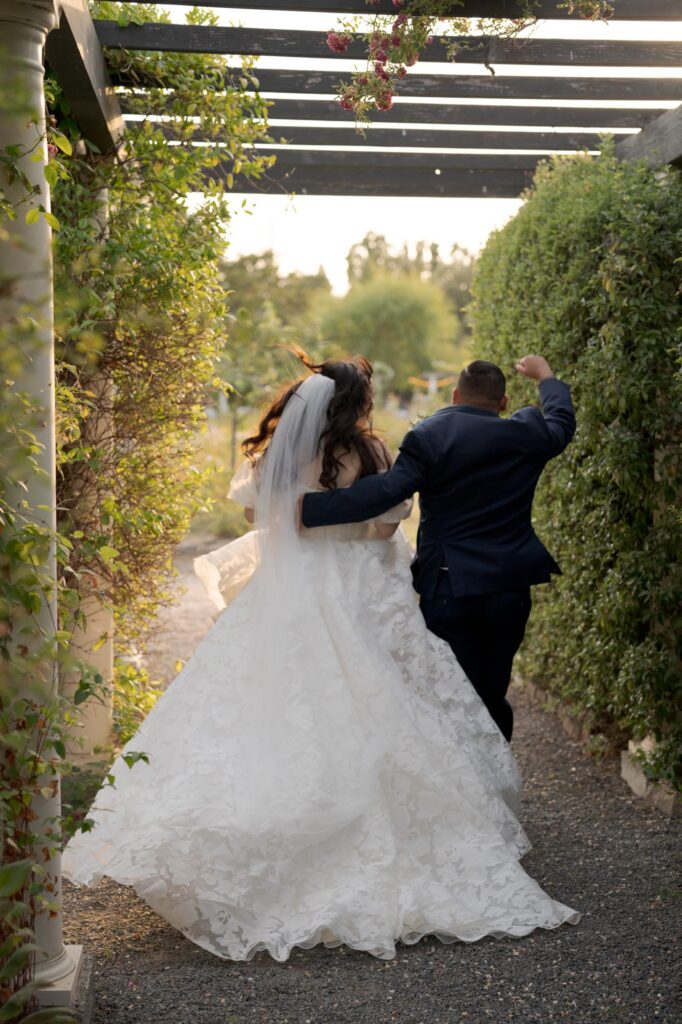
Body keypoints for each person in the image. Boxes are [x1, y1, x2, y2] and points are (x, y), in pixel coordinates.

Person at [62, 353, 579, 963]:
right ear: (359, 402)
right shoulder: (404, 447)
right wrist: (546, 380)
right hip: (412, 582)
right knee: (418, 697)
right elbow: (388, 522)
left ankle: (261, 825)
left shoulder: (309, 446)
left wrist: (302, 513)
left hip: (308, 587)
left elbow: (264, 514)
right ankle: (459, 808)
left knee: (269, 701)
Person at [301, 356, 576, 742]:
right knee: (493, 689)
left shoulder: (429, 436)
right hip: (509, 589)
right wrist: (546, 376)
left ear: (454, 395)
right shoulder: (528, 434)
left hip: (451, 587)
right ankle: (497, 784)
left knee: (451, 693)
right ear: (503, 402)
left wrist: (307, 508)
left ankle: (467, 789)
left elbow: (385, 492)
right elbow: (562, 422)